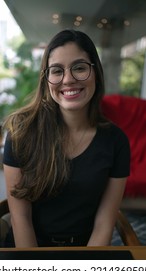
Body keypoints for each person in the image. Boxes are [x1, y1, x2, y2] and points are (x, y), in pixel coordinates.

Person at [2, 29, 130, 247]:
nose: (68, 79)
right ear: (46, 78)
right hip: (28, 251)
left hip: (85, 252)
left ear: (96, 73)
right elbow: (21, 218)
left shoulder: (116, 141)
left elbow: (104, 223)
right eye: (57, 71)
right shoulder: (21, 132)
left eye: (79, 68)